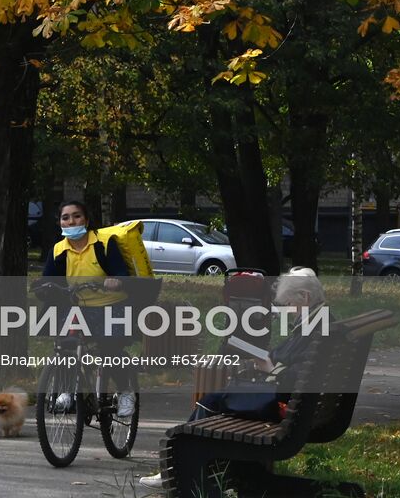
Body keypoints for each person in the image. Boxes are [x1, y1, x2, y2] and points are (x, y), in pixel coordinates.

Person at [138, 266, 329, 491]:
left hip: (285, 406)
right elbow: (292, 360)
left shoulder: (316, 329)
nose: (287, 311)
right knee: (224, 394)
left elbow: (296, 376)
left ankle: (176, 469)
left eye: (288, 304)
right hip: (300, 406)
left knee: (214, 400)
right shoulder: (318, 323)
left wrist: (270, 368)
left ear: (304, 297)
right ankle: (217, 470)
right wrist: (267, 359)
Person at [41, 200, 136, 418]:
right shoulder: (58, 250)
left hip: (112, 305)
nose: (71, 221)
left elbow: (121, 272)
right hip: (80, 307)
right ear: (60, 223)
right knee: (65, 343)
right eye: (65, 217)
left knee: (110, 349)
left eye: (76, 216)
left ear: (86, 219)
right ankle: (66, 389)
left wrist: (116, 281)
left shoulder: (104, 243)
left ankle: (125, 392)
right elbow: (48, 279)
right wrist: (45, 288)